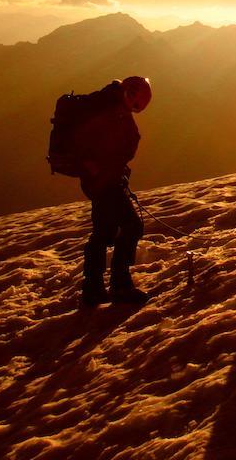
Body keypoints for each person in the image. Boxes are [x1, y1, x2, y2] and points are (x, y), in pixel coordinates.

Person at [75, 75, 152, 306]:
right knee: (132, 225)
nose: (134, 104)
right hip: (105, 181)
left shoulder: (108, 108)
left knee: (104, 231)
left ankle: (93, 288)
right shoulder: (111, 113)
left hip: (97, 180)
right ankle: (120, 285)